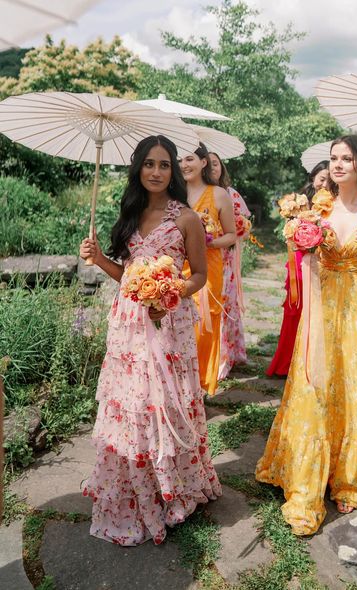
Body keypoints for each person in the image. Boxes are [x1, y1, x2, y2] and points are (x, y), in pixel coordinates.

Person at [256, 135, 357, 535]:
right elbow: (307, 258)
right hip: (321, 307)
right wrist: (302, 242)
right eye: (334, 158)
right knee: (317, 387)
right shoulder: (318, 207)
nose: (338, 165)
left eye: (348, 159)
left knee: (354, 387)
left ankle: (351, 476)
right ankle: (308, 473)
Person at [80, 135, 222, 546]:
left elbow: (199, 275)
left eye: (164, 165)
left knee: (164, 403)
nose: (156, 172)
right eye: (149, 164)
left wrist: (168, 294)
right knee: (132, 407)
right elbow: (125, 275)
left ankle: (171, 490)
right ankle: (134, 487)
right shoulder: (131, 213)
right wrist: (97, 258)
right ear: (138, 169)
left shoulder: (186, 219)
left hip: (169, 324)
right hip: (127, 326)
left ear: (173, 170)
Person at [180, 143, 236, 395]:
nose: (184, 165)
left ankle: (199, 385)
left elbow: (231, 235)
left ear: (204, 162)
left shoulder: (218, 195)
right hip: (175, 267)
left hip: (207, 268)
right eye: (179, 160)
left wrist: (208, 240)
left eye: (189, 159)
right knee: (177, 325)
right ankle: (177, 384)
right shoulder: (173, 195)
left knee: (203, 326)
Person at [266, 160, 329, 377]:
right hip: (301, 261)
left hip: (324, 263)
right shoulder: (301, 203)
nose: (325, 184)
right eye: (322, 178)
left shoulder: (334, 205)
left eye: (329, 180)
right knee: (296, 308)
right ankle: (286, 363)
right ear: (313, 178)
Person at [208, 151, 250, 380]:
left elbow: (244, 223)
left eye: (217, 163)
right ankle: (216, 354)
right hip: (208, 255)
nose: (213, 168)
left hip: (227, 257)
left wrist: (240, 227)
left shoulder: (230, 193)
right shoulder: (196, 194)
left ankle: (229, 353)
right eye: (210, 164)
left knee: (228, 302)